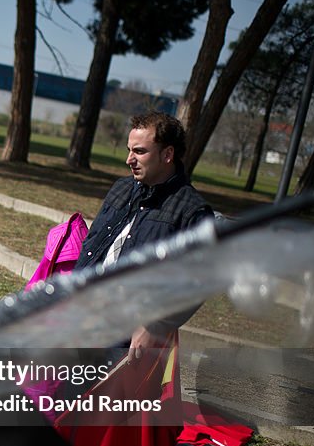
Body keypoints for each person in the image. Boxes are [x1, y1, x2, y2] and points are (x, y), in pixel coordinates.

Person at [74, 111, 214, 362]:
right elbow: (94, 245)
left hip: (124, 336)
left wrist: (155, 325)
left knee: (102, 401)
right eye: (129, 150)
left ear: (167, 154)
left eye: (139, 151)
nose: (129, 159)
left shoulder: (192, 211)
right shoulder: (121, 188)